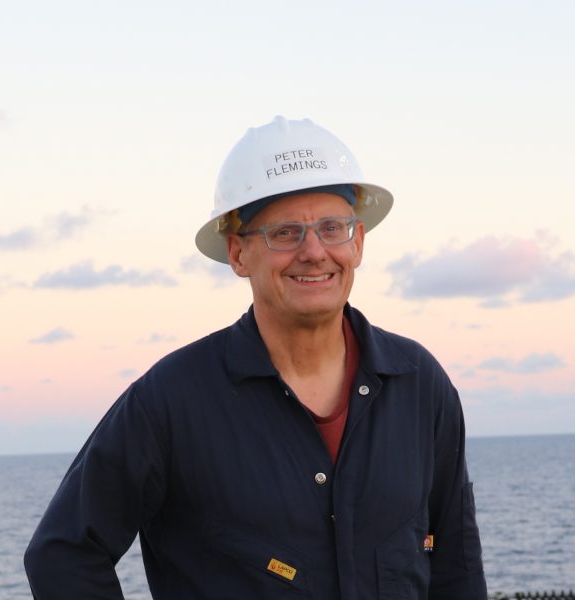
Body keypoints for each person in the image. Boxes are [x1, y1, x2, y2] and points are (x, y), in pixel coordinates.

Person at [25, 116, 488, 599]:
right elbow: (63, 554)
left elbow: (457, 564)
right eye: (285, 233)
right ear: (238, 254)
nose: (314, 252)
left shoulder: (419, 385)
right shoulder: (172, 401)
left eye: (333, 228)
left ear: (358, 242)